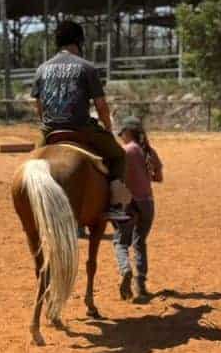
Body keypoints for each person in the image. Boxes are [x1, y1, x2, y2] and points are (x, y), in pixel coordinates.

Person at [32, 19, 130, 221]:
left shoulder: (41, 69)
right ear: (79, 41)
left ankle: (34, 205)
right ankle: (115, 205)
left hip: (50, 130)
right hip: (81, 128)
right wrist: (108, 128)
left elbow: (39, 106)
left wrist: (46, 125)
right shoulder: (87, 67)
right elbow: (101, 105)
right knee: (119, 155)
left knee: (32, 163)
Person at [113, 116, 164, 303]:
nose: (121, 137)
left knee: (120, 241)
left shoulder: (123, 151)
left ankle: (125, 269)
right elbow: (158, 177)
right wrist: (145, 174)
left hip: (128, 202)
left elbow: (115, 177)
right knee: (140, 242)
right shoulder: (148, 151)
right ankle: (140, 286)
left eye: (122, 134)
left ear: (127, 132)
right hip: (147, 203)